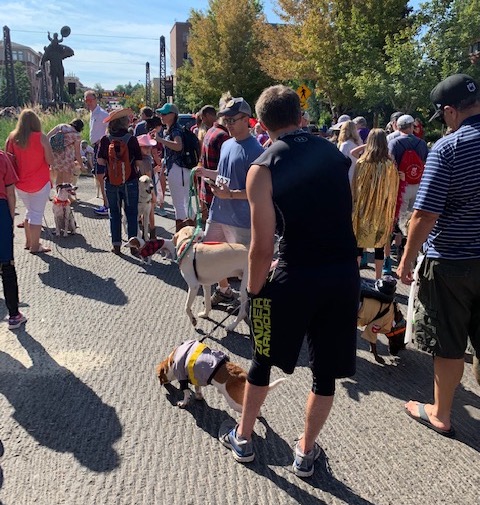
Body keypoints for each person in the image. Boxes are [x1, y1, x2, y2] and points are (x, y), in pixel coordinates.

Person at [220, 85, 359, 477]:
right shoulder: (334, 154)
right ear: (301, 116)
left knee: (262, 358)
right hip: (341, 273)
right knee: (325, 370)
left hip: (294, 272)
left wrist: (252, 292)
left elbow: (261, 247)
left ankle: (244, 438)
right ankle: (305, 450)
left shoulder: (262, 168)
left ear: (260, 124)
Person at [397, 73, 480, 437]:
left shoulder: (449, 148)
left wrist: (405, 260)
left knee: (448, 343)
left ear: (449, 111)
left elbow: (425, 214)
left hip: (451, 261)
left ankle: (440, 412)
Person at [194, 97, 263, 306]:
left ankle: (248, 306)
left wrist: (230, 194)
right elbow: (224, 175)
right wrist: (206, 172)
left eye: (232, 120)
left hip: (241, 220)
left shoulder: (256, 151)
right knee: (210, 256)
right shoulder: (226, 144)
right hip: (218, 213)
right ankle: (224, 290)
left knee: (244, 268)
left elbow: (258, 191)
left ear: (247, 120)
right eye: (226, 120)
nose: (228, 124)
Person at [351, 129, 399, 279]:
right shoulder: (389, 164)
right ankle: (379, 279)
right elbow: (393, 190)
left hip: (363, 209)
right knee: (379, 244)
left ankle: (356, 279)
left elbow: (355, 187)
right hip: (383, 210)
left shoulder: (362, 163)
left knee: (359, 244)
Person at [5, 109, 53, 254]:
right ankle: (35, 245)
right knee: (36, 214)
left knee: (30, 211)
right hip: (40, 181)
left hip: (20, 183)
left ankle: (28, 242)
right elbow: (50, 160)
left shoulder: (12, 138)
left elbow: (7, 160)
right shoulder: (41, 138)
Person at [97, 108, 142, 255]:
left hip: (111, 181)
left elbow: (100, 161)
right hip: (130, 181)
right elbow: (139, 162)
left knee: (114, 213)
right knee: (131, 214)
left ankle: (116, 246)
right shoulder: (131, 139)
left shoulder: (105, 139)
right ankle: (133, 246)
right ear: (124, 122)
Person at [387, 114, 429, 273]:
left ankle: (399, 252)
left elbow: (390, 165)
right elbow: (426, 163)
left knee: (399, 217)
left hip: (401, 186)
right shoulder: (421, 143)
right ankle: (410, 252)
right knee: (413, 219)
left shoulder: (394, 143)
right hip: (417, 184)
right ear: (411, 126)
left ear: (397, 126)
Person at [155, 103, 194, 231]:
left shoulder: (175, 129)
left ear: (173, 115)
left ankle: (182, 234)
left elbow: (178, 146)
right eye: (161, 113)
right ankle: (191, 232)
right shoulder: (173, 129)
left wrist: (160, 140)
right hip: (181, 170)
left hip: (178, 170)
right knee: (185, 202)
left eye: (164, 114)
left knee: (179, 204)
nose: (161, 116)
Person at [0, 150, 26, 329]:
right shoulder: (1, 157)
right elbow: (10, 193)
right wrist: (9, 218)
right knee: (7, 264)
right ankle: (14, 314)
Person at [196, 105, 230, 225]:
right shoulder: (223, 136)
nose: (203, 121)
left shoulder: (210, 132)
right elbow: (226, 169)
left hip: (208, 189)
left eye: (203, 118)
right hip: (218, 191)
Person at [84, 90, 109, 215]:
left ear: (95, 100)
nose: (88, 102)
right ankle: (106, 203)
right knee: (100, 176)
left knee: (101, 176)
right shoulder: (93, 113)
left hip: (101, 146)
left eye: (90, 100)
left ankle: (107, 204)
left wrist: (102, 142)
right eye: (86, 100)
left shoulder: (102, 114)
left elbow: (109, 129)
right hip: (96, 146)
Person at [47, 119, 84, 186]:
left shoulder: (61, 126)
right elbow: (77, 153)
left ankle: (59, 195)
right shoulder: (76, 135)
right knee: (67, 179)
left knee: (59, 176)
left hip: (56, 155)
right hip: (67, 158)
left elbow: (48, 136)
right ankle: (65, 195)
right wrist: (82, 166)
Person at [337, 120, 362, 185]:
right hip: (357, 175)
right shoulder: (359, 144)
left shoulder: (345, 145)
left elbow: (341, 162)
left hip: (347, 176)